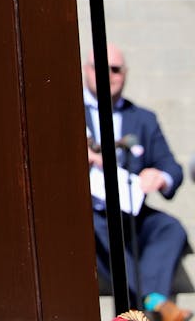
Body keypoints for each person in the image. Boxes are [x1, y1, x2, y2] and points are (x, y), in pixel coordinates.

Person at [85, 45, 191, 321]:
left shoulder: (143, 118)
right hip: (89, 217)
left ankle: (145, 302)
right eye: (100, 68)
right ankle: (155, 302)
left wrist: (161, 177)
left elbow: (172, 168)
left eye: (115, 69)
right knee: (101, 229)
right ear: (86, 71)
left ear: (126, 74)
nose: (108, 75)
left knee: (170, 228)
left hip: (132, 216)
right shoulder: (68, 114)